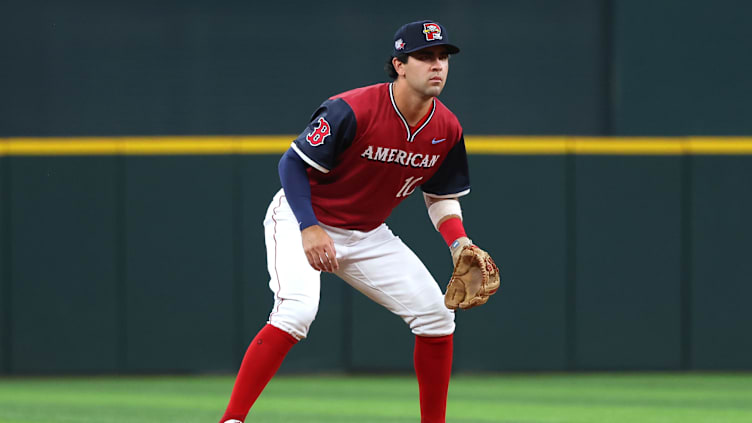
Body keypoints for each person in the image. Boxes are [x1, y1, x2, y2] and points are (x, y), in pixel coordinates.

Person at [219, 20, 491, 423]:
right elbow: (292, 163)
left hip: (366, 234)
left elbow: (439, 196)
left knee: (436, 317)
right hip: (303, 216)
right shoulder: (352, 109)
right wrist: (308, 227)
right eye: (425, 56)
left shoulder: (447, 128)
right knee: (295, 312)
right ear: (400, 64)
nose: (437, 65)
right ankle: (232, 419)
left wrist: (458, 243)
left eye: (443, 57)